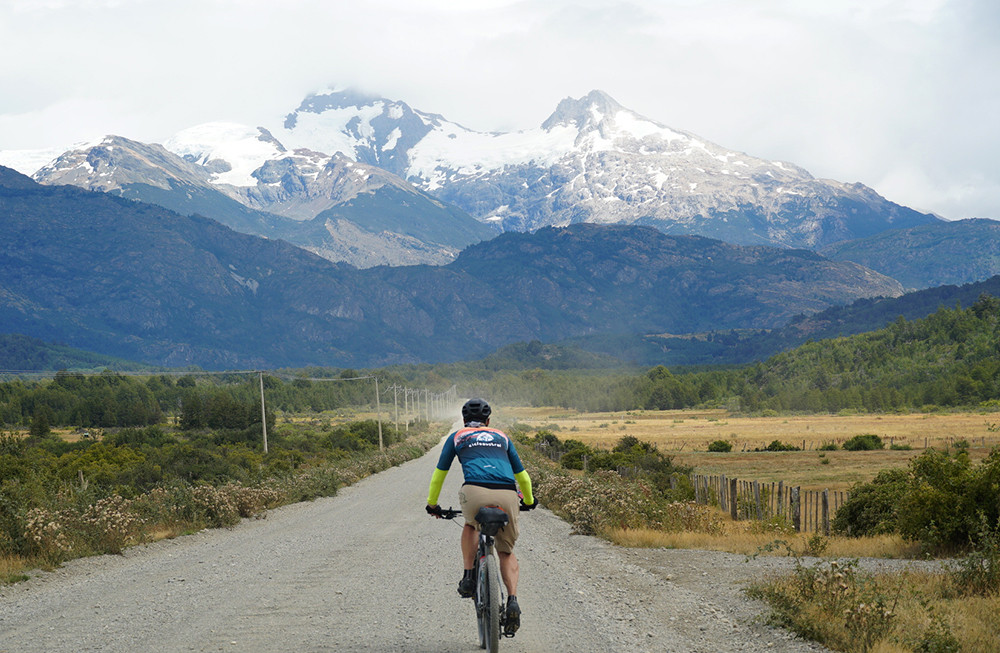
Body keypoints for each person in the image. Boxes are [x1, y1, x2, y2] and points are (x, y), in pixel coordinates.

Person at [426, 398, 536, 634]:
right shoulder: (502, 437)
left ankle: (468, 576)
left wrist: (432, 504)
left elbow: (439, 475)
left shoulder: (457, 437)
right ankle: (513, 600)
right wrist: (528, 501)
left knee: (471, 525)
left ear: (465, 420)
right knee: (506, 552)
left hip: (474, 490)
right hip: (507, 492)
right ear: (488, 421)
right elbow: (524, 478)